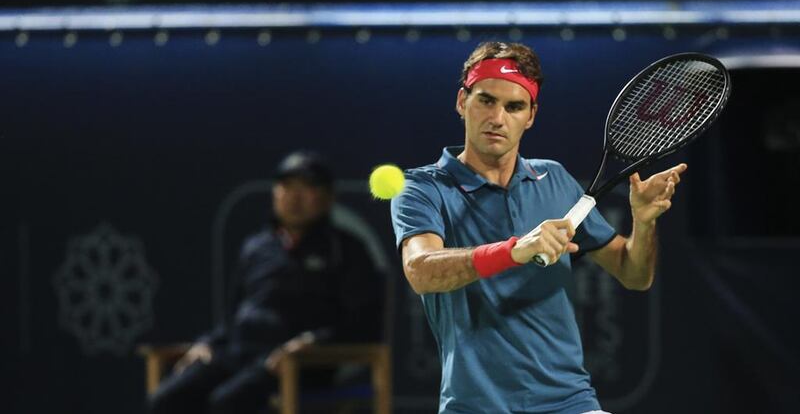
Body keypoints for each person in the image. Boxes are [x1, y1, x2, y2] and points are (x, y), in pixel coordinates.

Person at [391, 42, 685, 414]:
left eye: (514, 107)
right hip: (474, 406)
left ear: (530, 116)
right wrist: (514, 251)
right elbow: (421, 272)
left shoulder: (555, 179)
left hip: (570, 403)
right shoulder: (421, 188)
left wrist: (644, 223)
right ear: (462, 102)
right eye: (486, 100)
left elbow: (634, 274)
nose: (497, 118)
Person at [149, 150, 384, 414]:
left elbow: (363, 325)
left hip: (299, 365)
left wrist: (312, 342)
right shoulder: (256, 247)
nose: (294, 196)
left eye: (306, 187)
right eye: (286, 186)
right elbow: (232, 317)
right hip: (238, 356)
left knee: (226, 404)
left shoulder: (345, 250)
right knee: (168, 399)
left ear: (328, 197)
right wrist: (207, 343)